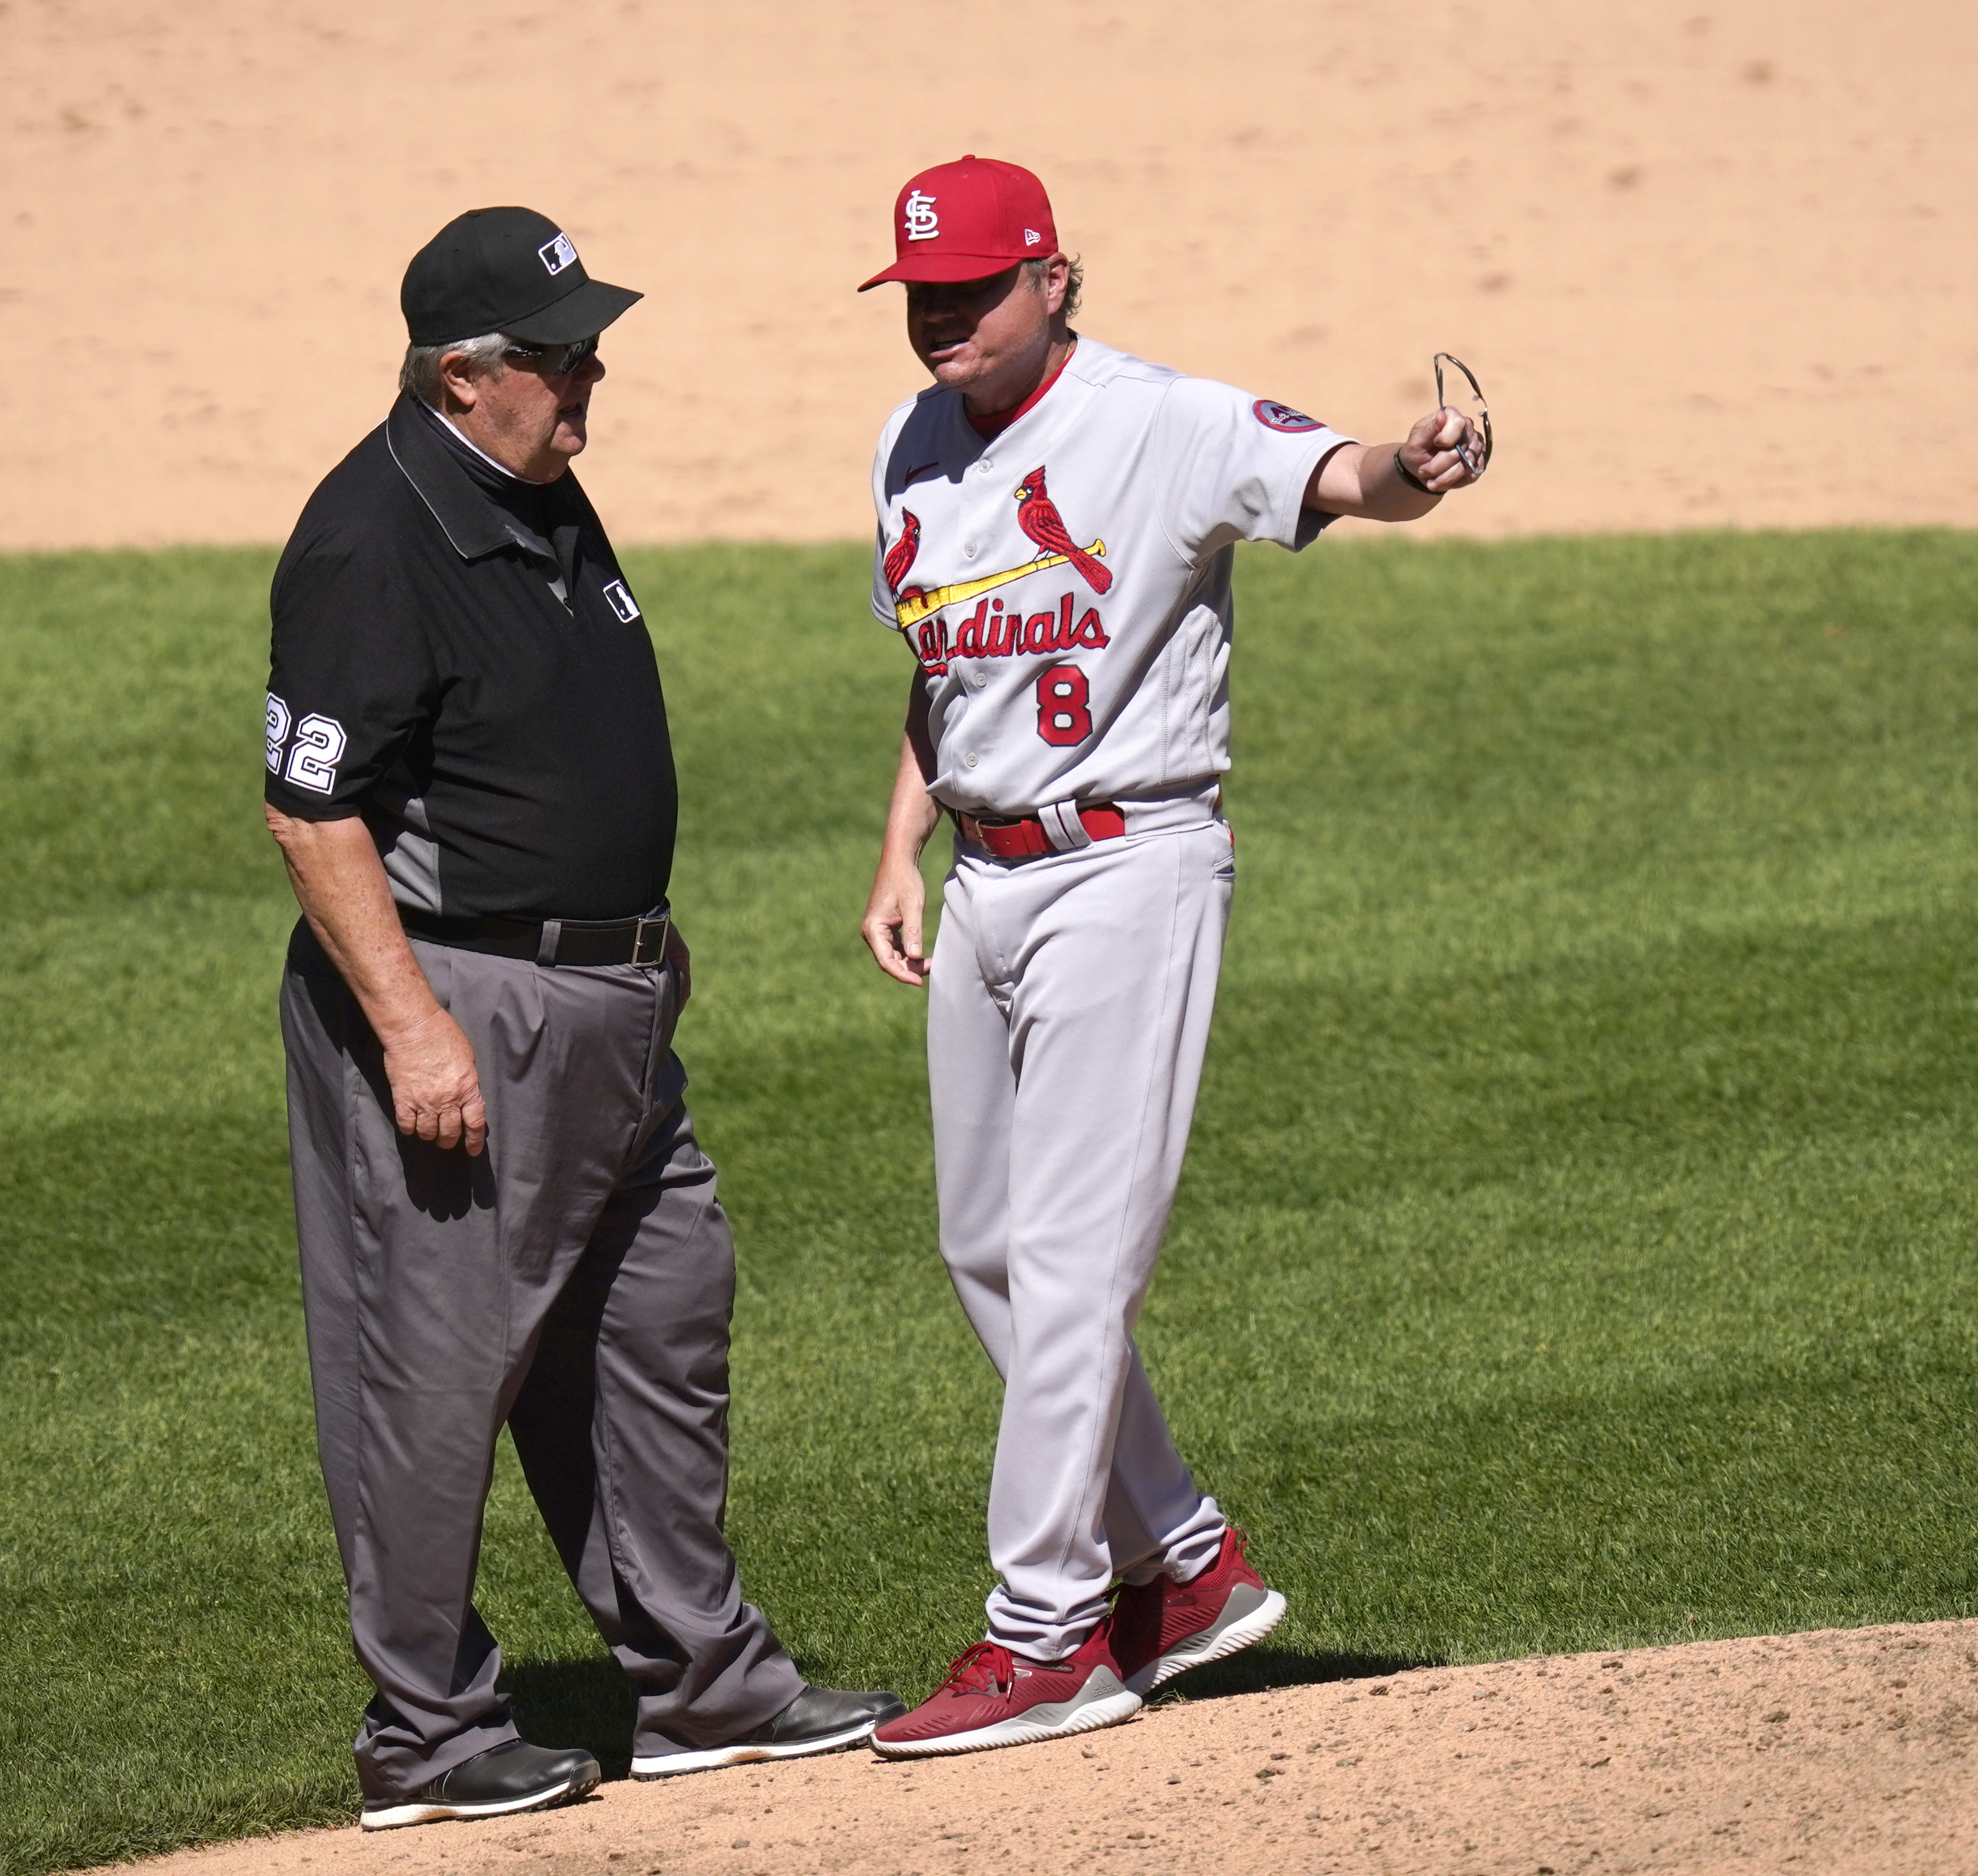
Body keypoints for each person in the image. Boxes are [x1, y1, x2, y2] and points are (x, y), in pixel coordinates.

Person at [264, 206, 898, 1829]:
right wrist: (412, 1029)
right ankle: (425, 1727)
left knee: (664, 1312)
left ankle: (705, 1682)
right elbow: (313, 810)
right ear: (463, 374)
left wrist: (637, 943)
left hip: (607, 1002)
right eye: (561, 356)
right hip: (468, 1003)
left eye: (591, 345)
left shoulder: (535, 486)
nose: (590, 376)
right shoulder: (374, 535)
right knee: (437, 1367)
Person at [851, 157, 1482, 1757]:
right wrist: (899, 846)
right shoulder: (912, 446)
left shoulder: (1158, 418)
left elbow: (1343, 478)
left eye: (972, 292)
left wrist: (1415, 460)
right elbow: (947, 669)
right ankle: (1185, 1560)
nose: (942, 320)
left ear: (1052, 279)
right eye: (922, 294)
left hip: (1129, 870)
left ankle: (1046, 1625)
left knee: (1071, 1259)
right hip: (986, 874)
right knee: (986, 1249)